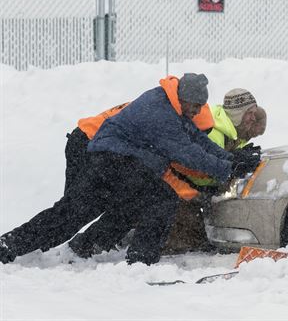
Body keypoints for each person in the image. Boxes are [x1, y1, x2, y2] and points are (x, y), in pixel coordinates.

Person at [0, 74, 237, 265]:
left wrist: (231, 159)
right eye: (195, 106)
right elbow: (187, 152)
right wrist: (226, 169)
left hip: (116, 162)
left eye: (199, 107)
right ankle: (140, 262)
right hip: (112, 162)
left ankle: (26, 246)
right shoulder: (160, 112)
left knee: (79, 213)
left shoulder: (172, 106)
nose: (196, 112)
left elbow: (194, 137)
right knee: (159, 199)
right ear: (184, 98)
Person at [69, 88, 266, 256]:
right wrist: (209, 186)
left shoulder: (203, 120)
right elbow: (188, 166)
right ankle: (93, 244)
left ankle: (91, 243)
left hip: (104, 141)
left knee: (127, 201)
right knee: (88, 204)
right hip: (93, 140)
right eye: (250, 115)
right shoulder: (206, 128)